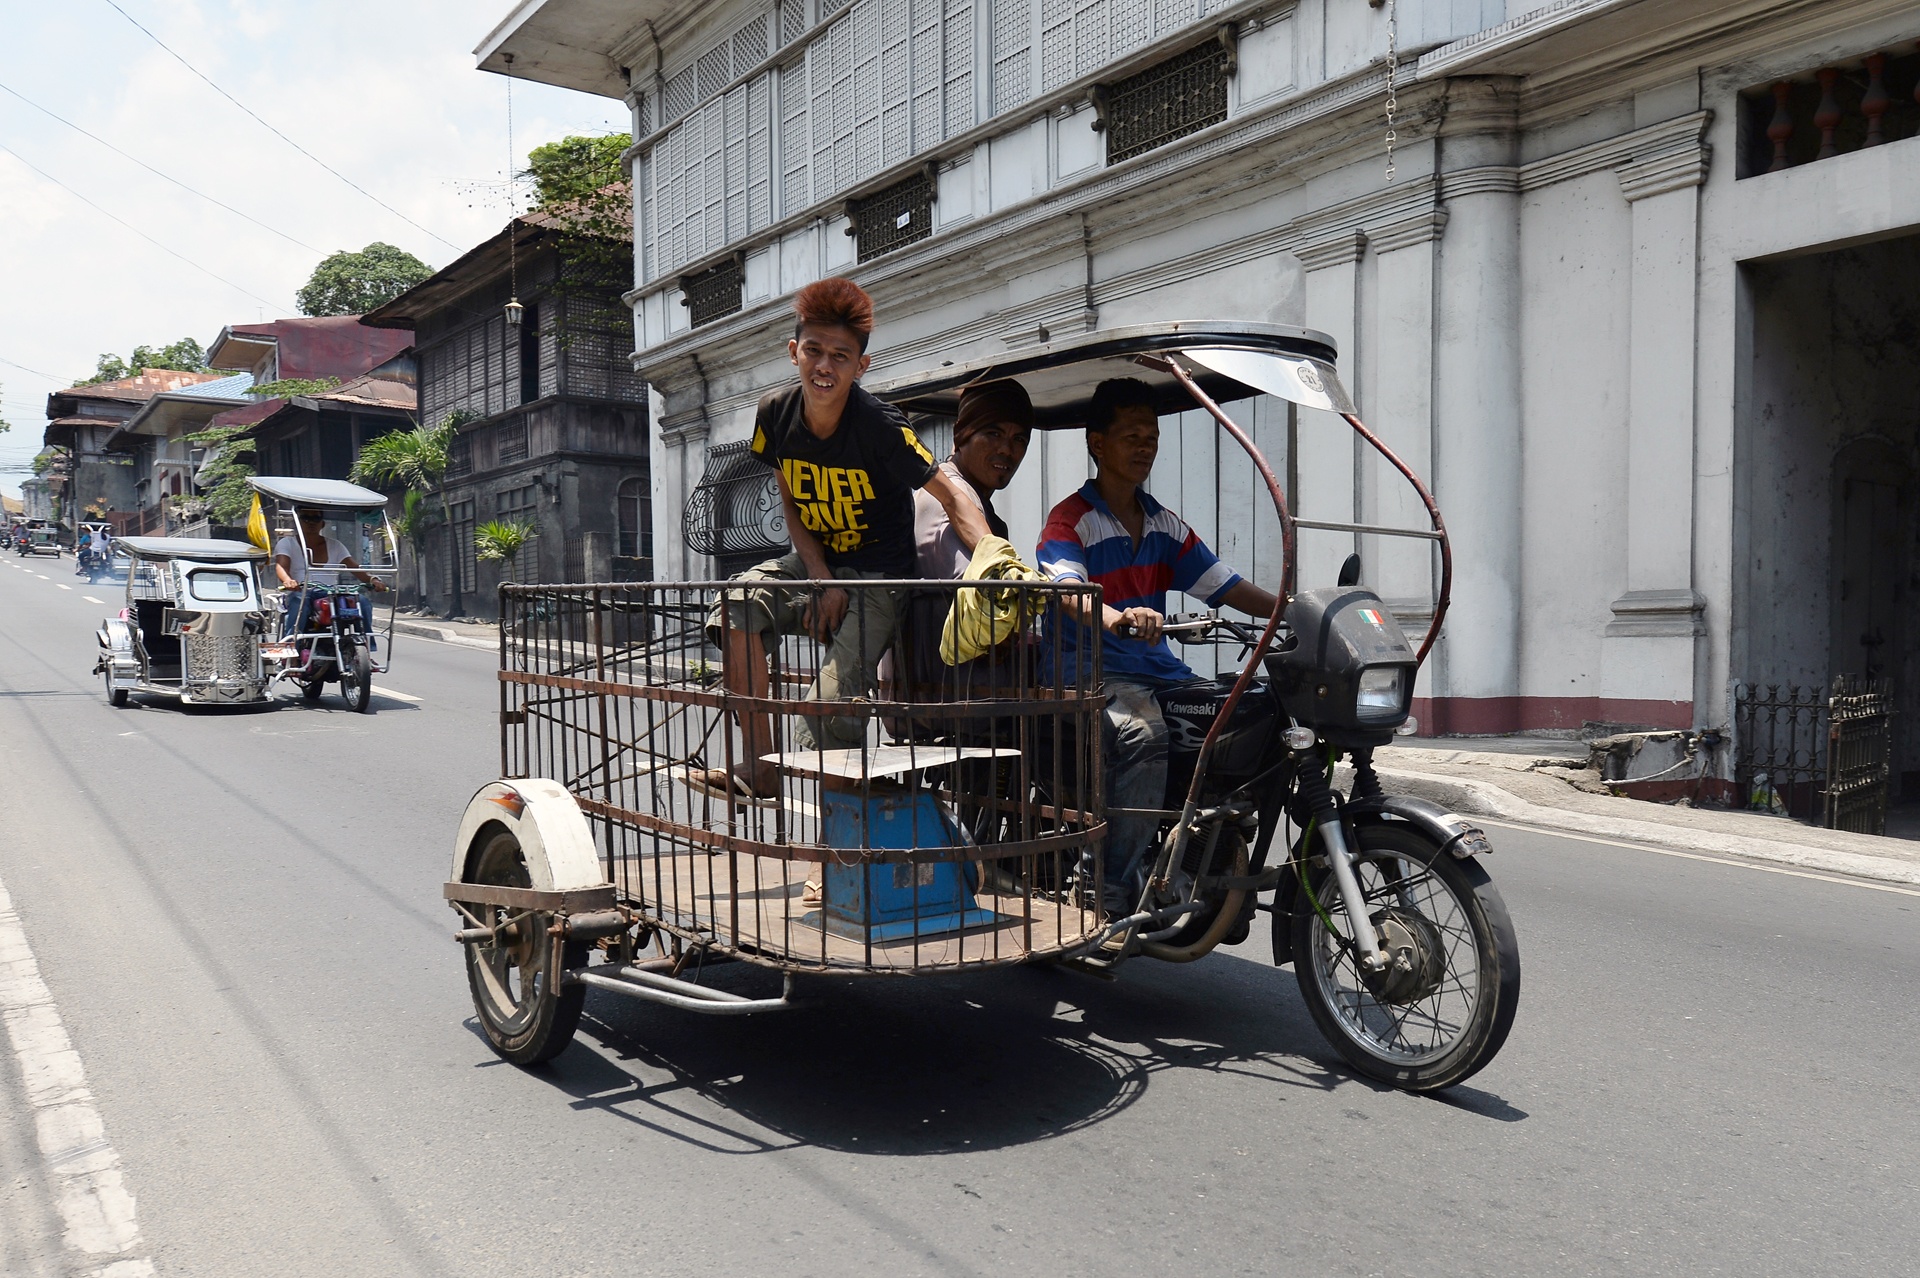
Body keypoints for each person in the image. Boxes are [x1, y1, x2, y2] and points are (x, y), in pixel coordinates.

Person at [689, 277, 993, 801]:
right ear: (794, 352)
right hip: (820, 565)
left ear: (861, 366)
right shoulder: (774, 416)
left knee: (829, 706)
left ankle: (831, 863)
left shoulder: (879, 427)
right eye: (813, 351)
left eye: (840, 356)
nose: (824, 367)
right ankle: (761, 767)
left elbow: (951, 494)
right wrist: (820, 579)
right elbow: (791, 502)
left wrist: (995, 558)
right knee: (737, 600)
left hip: (880, 578)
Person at [1036, 377, 1278, 916]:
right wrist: (1118, 617)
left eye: (1152, 437)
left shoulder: (1163, 524)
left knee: (1245, 716)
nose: (1145, 447)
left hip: (1155, 668)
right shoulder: (1071, 519)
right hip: (1085, 670)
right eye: (1132, 436)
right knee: (1146, 736)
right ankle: (1107, 886)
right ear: (1097, 443)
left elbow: (1227, 586)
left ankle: (1207, 848)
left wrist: (1297, 608)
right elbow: (1069, 591)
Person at [273, 506, 387, 637]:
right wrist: (288, 581)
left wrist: (374, 580)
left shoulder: (335, 545)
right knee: (298, 602)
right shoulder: (287, 543)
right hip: (302, 592)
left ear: (322, 523)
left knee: (363, 602)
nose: (311, 522)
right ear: (298, 522)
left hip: (331, 593)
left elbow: (355, 568)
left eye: (316, 518)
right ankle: (291, 647)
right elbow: (281, 566)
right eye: (306, 518)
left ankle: (365, 648)